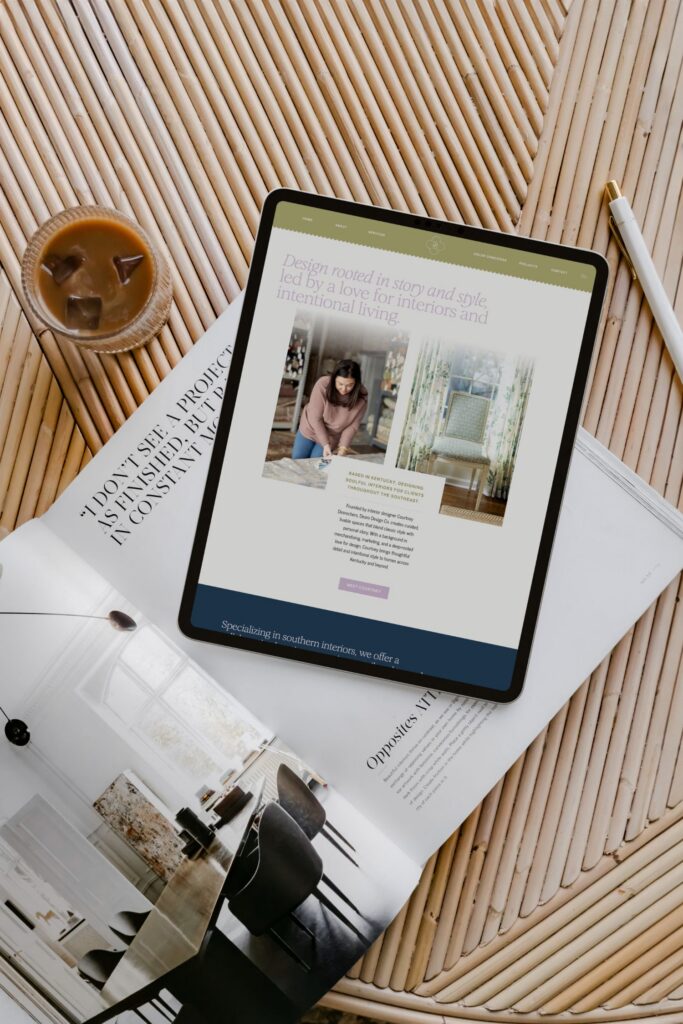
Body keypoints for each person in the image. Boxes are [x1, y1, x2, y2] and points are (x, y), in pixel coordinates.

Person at [292, 359, 368, 459]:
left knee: (317, 463)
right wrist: (325, 444)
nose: (344, 389)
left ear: (357, 383)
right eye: (340, 384)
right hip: (310, 428)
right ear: (334, 378)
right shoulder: (323, 384)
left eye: (349, 385)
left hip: (332, 436)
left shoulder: (361, 397)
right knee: (298, 459)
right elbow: (315, 418)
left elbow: (352, 426)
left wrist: (342, 449)